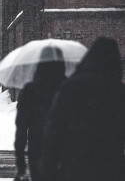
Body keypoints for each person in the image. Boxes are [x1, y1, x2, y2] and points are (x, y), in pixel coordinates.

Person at [40, 37, 125, 181]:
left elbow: (54, 129)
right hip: (111, 167)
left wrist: (48, 167)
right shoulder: (119, 92)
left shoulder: (71, 88)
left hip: (76, 166)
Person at [15, 46, 67, 181]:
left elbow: (21, 127)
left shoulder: (30, 90)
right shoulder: (68, 88)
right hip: (62, 149)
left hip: (37, 147)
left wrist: (20, 161)